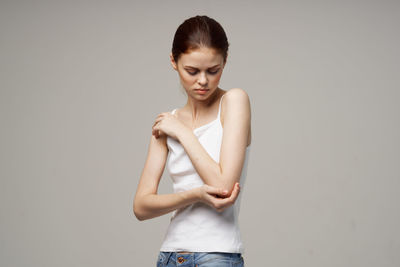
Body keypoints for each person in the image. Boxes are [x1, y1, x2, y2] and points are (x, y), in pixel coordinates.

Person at [133, 15, 251, 267]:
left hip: (216, 256)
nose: (203, 81)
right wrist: (194, 195)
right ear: (174, 61)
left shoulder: (234, 101)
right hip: (170, 256)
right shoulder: (168, 122)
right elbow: (141, 206)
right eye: (192, 71)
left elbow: (223, 188)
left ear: (225, 62)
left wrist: (184, 133)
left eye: (213, 70)